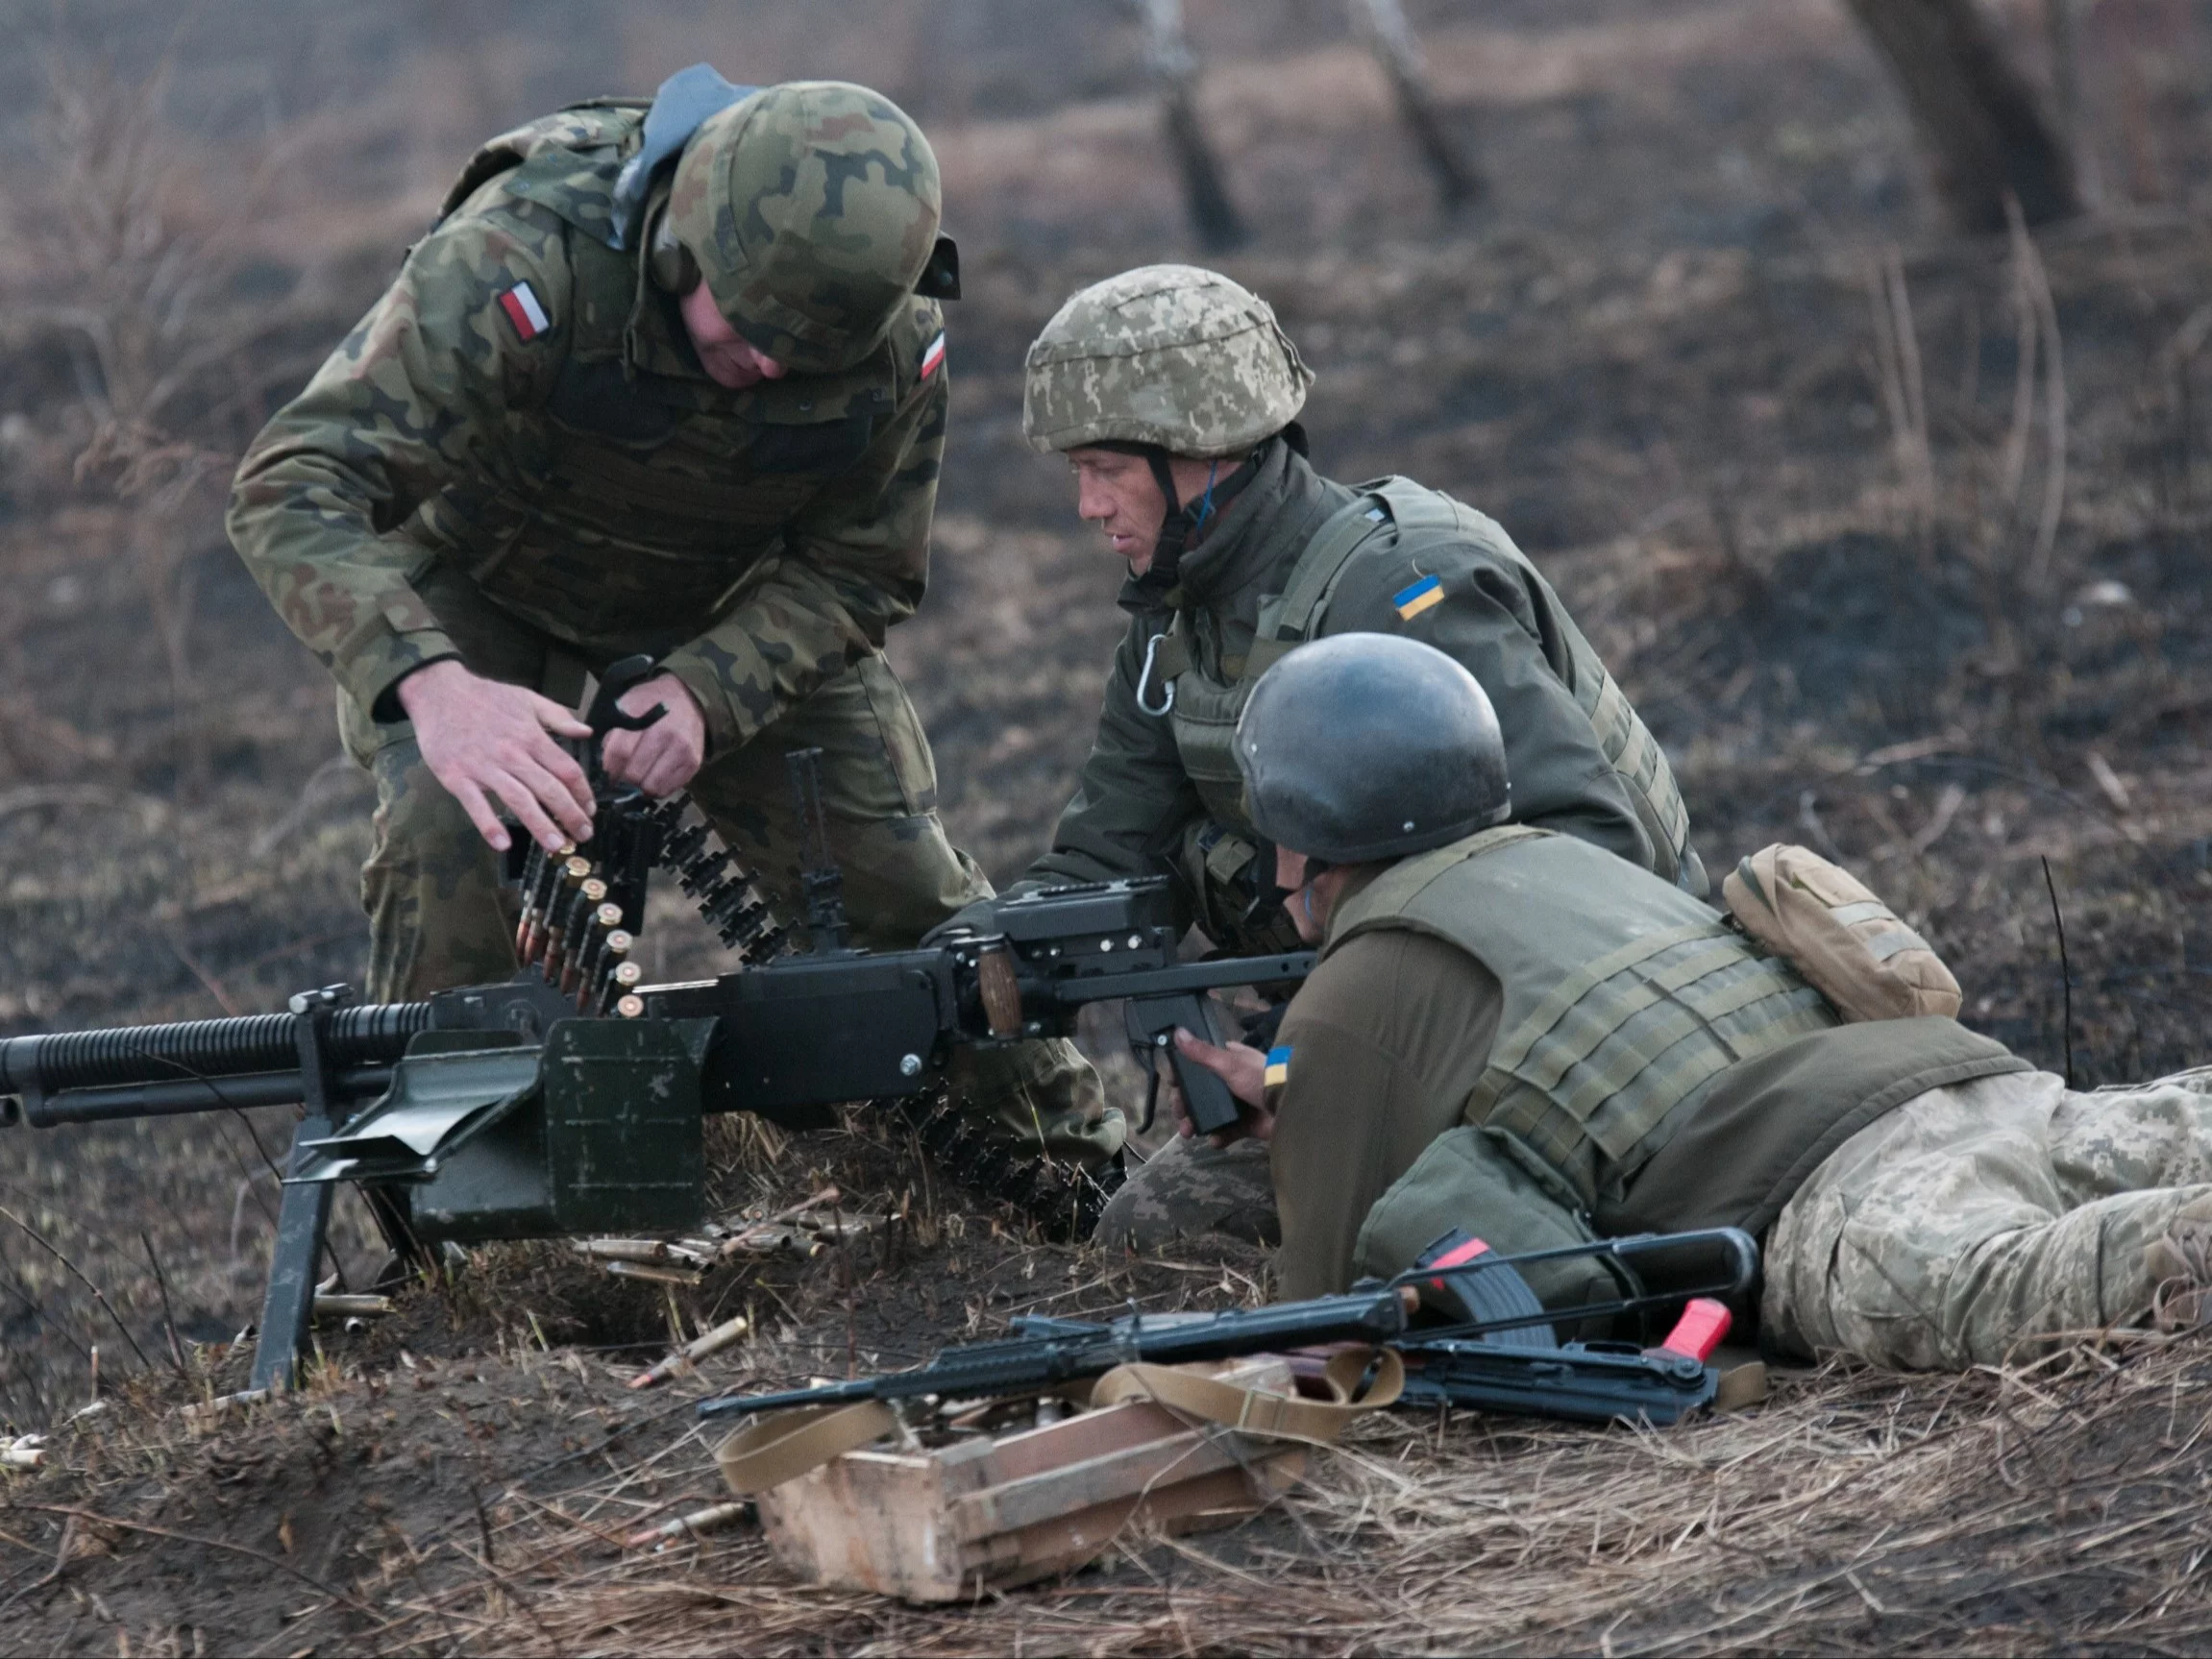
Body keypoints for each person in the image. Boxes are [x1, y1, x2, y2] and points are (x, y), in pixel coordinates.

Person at [227, 66, 1115, 1166]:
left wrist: (709, 687)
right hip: (484, 577)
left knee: (897, 876)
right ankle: (464, 1221)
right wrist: (436, 689)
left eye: (805, 356)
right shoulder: (526, 255)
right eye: (748, 333)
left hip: (731, 600)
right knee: (448, 840)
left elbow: (860, 569)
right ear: (682, 248)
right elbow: (290, 483)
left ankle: (1069, 1167)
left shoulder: (889, 337)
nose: (772, 367)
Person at [1101, 632, 2212, 1371]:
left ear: (1301, 827)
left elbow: (1336, 1316)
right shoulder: (1567, 858)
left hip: (1822, 1195)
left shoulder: (1348, 991)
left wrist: (1307, 1124)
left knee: (2069, 1281)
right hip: (1962, 1082)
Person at [938, 263, 1700, 973]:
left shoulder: (1403, 593)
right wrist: (978, 952)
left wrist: (1325, 1047)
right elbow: (1112, 860)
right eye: (1078, 473)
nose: (1088, 507)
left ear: (1205, 448)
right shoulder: (1176, 622)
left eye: (1108, 470)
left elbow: (1591, 851)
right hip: (1385, 1009)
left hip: (1602, 997)